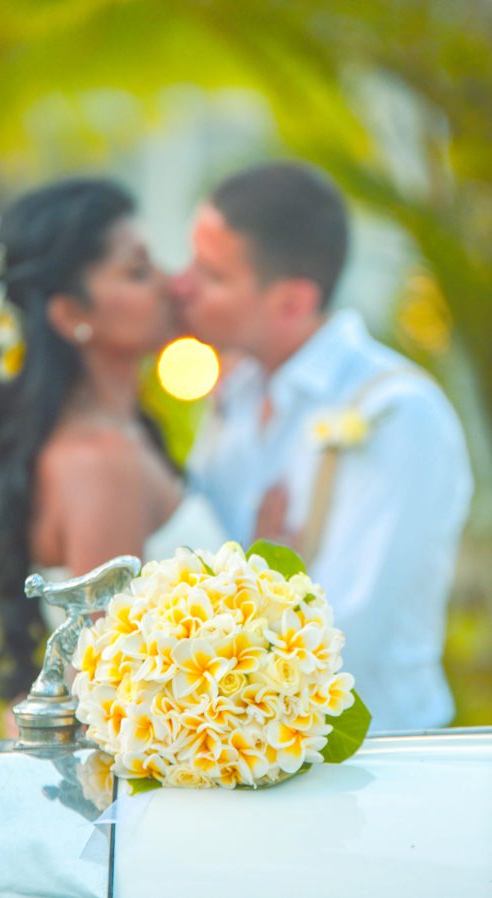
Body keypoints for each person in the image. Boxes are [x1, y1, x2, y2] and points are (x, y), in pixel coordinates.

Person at [175, 161, 473, 731]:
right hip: (238, 750)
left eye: (211, 275)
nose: (181, 286)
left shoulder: (395, 413)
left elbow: (348, 632)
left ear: (290, 302)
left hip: (374, 757)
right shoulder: (234, 390)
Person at [0, 178, 225, 720]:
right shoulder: (101, 463)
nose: (170, 283)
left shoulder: (117, 434)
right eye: (137, 272)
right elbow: (111, 681)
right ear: (70, 315)